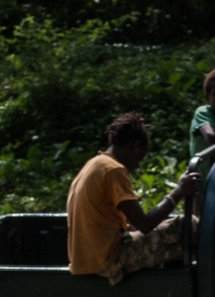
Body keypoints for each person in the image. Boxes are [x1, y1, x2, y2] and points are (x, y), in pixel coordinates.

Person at [67, 112, 199, 286]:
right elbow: (144, 224)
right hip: (110, 259)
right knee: (190, 225)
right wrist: (180, 191)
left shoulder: (95, 164)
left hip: (91, 259)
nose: (136, 165)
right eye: (140, 158)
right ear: (136, 146)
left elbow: (130, 222)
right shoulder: (114, 170)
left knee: (172, 234)